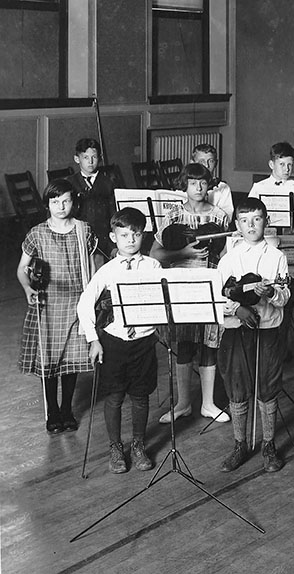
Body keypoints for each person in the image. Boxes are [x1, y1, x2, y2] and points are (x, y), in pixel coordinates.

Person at [77, 208, 160, 473]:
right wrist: (94, 340)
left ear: (143, 235)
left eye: (136, 234)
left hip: (144, 341)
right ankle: (115, 447)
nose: (131, 240)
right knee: (114, 396)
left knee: (140, 396)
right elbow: (85, 303)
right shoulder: (108, 270)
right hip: (114, 341)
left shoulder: (153, 266)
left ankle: (138, 444)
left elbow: (163, 301)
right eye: (124, 235)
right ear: (113, 237)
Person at [150, 163, 230, 423]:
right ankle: (183, 403)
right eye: (193, 182)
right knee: (184, 344)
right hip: (181, 285)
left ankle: (208, 403)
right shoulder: (172, 216)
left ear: (209, 185)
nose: (198, 187)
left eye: (203, 182)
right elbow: (155, 255)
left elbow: (227, 255)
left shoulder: (220, 216)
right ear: (184, 185)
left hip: (210, 283)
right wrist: (182, 254)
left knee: (209, 343)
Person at [217, 198, 292, 472]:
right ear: (237, 224)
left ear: (266, 222)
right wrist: (237, 309)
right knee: (237, 386)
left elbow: (284, 296)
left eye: (257, 219)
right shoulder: (228, 259)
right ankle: (240, 444)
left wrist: (272, 292)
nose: (251, 225)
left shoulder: (277, 257)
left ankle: (269, 444)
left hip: (269, 330)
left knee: (267, 385)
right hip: (237, 331)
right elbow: (217, 297)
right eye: (245, 220)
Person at [17, 179, 95, 433]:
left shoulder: (84, 229)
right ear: (47, 204)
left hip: (76, 303)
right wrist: (28, 287)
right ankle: (52, 411)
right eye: (54, 201)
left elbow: (92, 266)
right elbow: (22, 269)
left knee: (71, 359)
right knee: (50, 360)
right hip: (48, 303)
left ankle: (67, 409)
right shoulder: (37, 233)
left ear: (74, 202)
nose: (61, 206)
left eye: (66, 201)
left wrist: (92, 295)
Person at [67, 138, 115, 259]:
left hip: (103, 239)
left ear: (100, 158)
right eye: (86, 157)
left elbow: (113, 213)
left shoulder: (108, 182)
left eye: (94, 157)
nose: (90, 161)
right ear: (77, 159)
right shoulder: (70, 183)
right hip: (78, 239)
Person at [191, 143, 234, 218]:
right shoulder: (186, 186)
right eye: (201, 161)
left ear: (216, 163)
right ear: (192, 163)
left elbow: (228, 217)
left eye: (210, 161)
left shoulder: (222, 188)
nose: (207, 166)